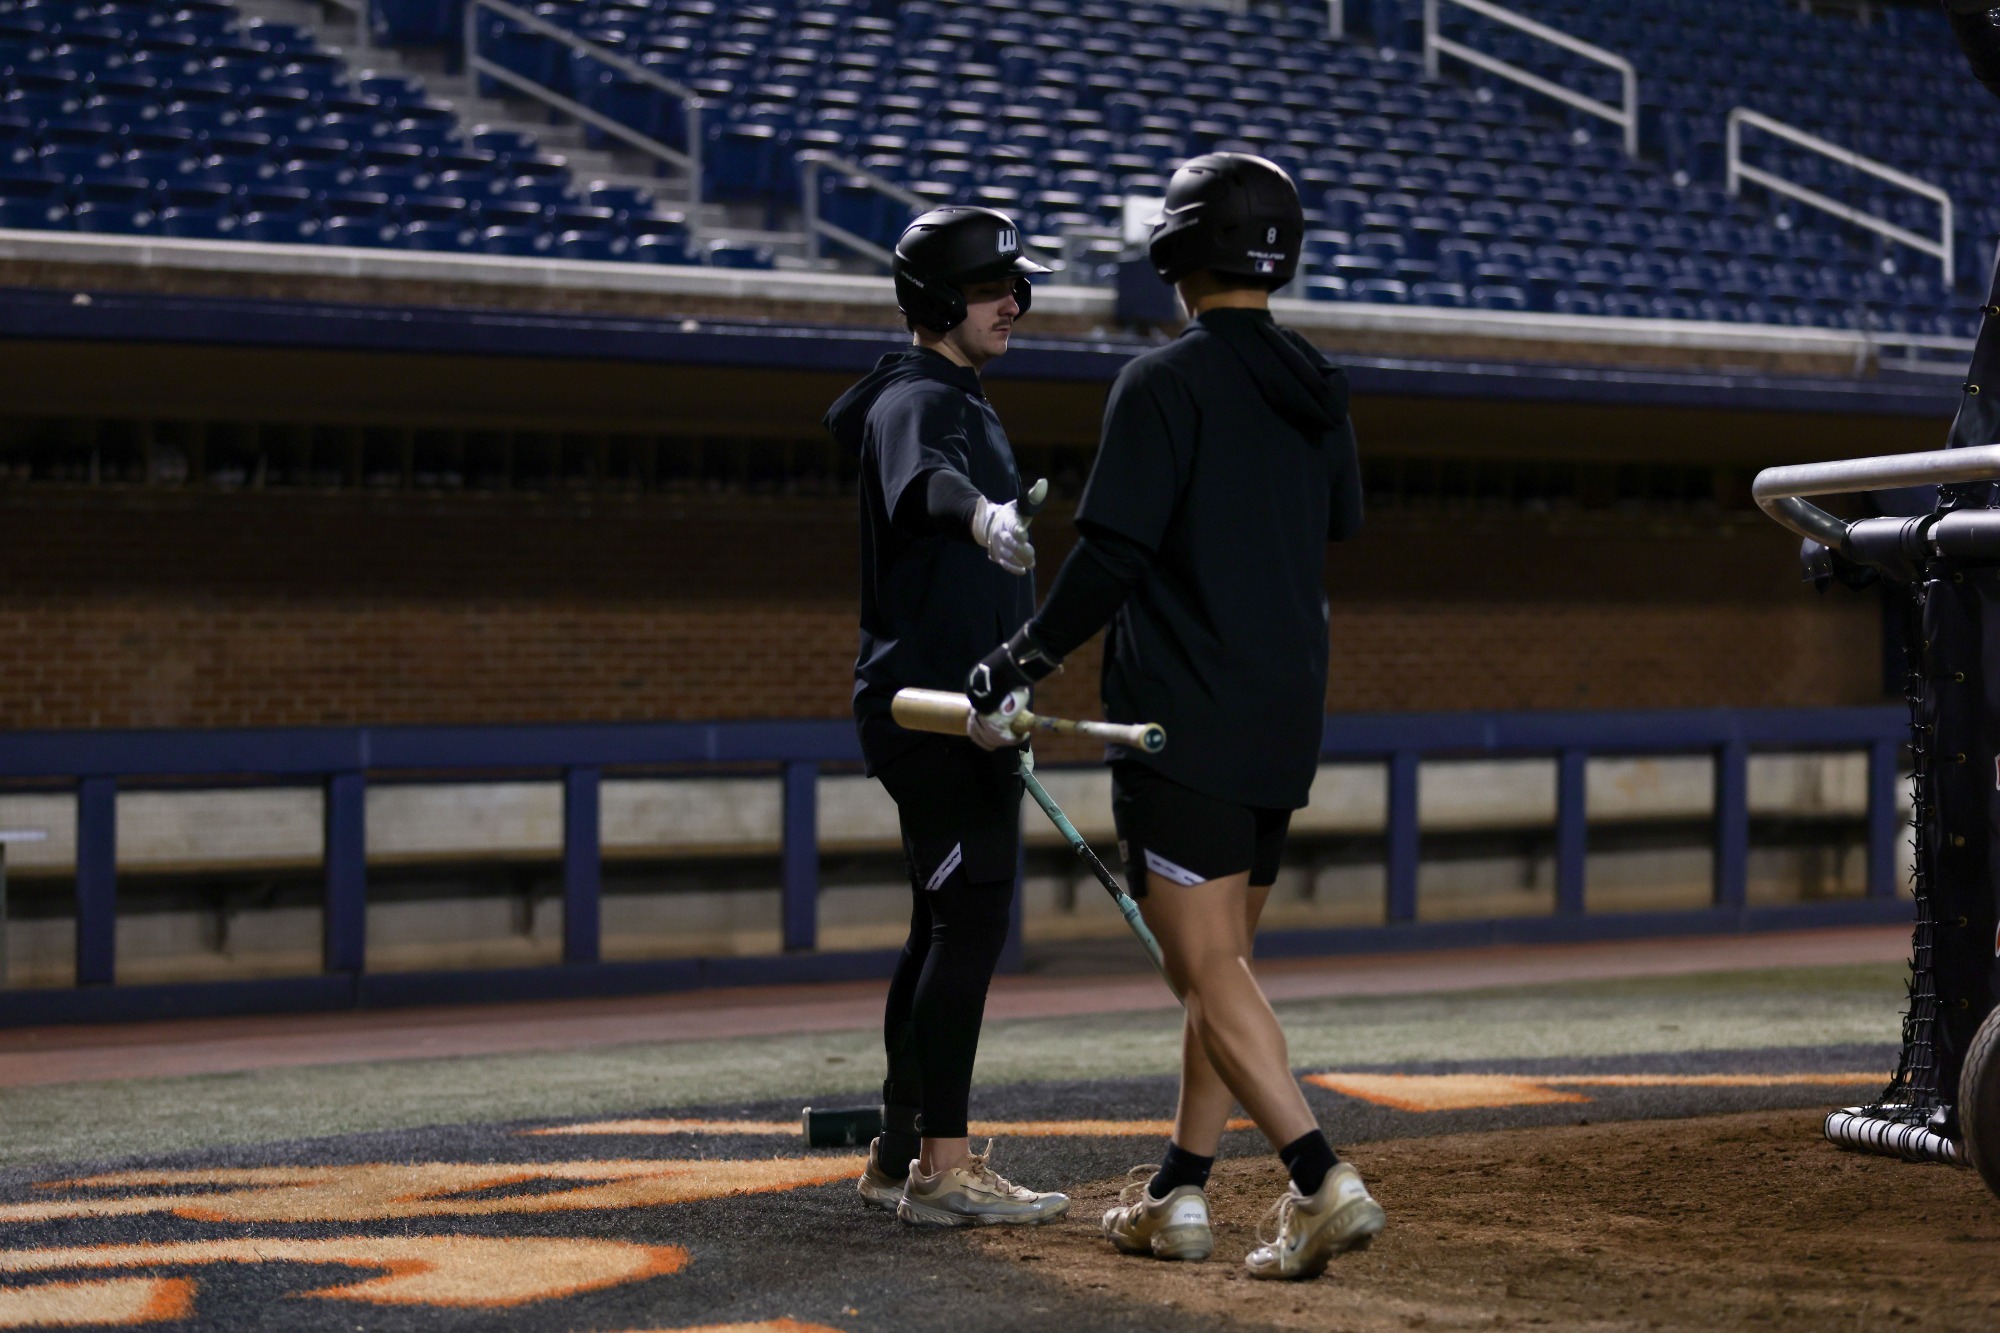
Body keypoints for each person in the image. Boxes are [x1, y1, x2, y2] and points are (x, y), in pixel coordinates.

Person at [965, 153, 1376, 1278]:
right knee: (1222, 964)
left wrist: (1016, 659)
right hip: (1285, 711)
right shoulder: (1317, 383)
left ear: (1173, 257)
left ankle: (1318, 1177)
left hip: (1179, 716)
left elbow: (1108, 559)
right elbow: (1339, 520)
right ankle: (1178, 1192)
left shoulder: (1161, 384)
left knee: (1203, 970)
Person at [822, 205, 1071, 1228]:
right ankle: (942, 1167)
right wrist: (979, 515)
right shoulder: (916, 397)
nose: (1011, 303)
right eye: (989, 290)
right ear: (937, 302)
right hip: (932, 713)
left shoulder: (952, 392)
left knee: (940, 927)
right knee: (966, 925)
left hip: (959, 710)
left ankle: (896, 1156)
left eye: (1014, 286)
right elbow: (925, 479)